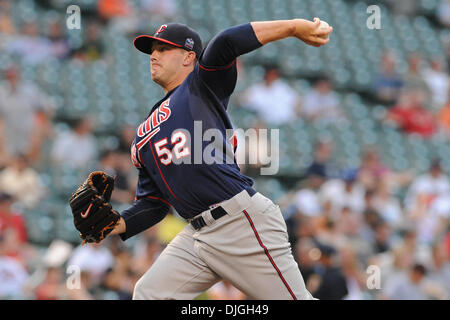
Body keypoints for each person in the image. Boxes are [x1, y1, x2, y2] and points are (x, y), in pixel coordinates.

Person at [102, 18, 333, 300]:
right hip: (198, 235)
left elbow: (225, 42)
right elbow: (153, 205)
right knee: (149, 294)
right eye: (152, 50)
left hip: (239, 221)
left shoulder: (202, 85)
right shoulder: (143, 135)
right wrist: (111, 224)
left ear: (189, 57)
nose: (154, 55)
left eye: (163, 49)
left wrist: (295, 27)